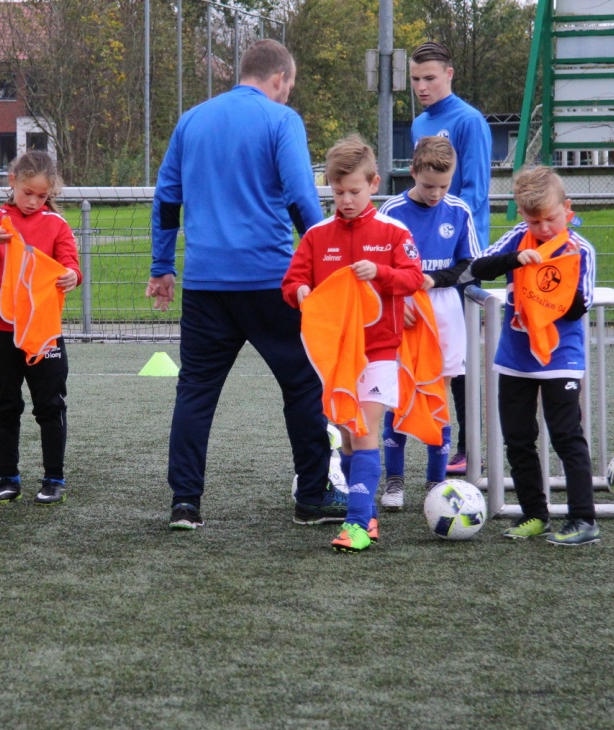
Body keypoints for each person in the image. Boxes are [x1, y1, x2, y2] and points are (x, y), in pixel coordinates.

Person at [148, 38, 342, 531]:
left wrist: (162, 265)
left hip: (205, 284)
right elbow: (301, 198)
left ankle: (184, 504)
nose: (288, 94)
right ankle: (312, 497)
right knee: (303, 384)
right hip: (270, 281)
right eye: (289, 86)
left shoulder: (191, 120)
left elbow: (167, 198)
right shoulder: (282, 120)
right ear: (279, 78)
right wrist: (321, 263)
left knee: (195, 391)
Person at [282, 135, 424, 553]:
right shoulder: (316, 235)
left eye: (354, 191)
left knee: (364, 432)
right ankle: (366, 510)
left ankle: (359, 523)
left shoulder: (393, 232)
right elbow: (292, 281)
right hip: (335, 357)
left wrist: (380, 273)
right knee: (346, 439)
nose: (345, 200)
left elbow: (413, 278)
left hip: (379, 350)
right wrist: (300, 293)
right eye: (338, 191)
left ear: (374, 184)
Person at [464, 166, 600, 546]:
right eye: (534, 221)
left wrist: (557, 272)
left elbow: (580, 308)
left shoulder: (580, 250)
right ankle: (535, 515)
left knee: (566, 437)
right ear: (522, 215)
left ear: (567, 208)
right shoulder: (517, 239)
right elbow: (478, 267)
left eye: (551, 219)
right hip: (515, 358)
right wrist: (516, 259)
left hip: (560, 359)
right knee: (518, 439)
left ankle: (583, 519)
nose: (543, 229)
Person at [0, 150, 81, 506]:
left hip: (43, 331)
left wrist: (72, 275)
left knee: (50, 404)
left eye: (42, 195)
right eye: (28, 193)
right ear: (12, 182)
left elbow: (69, 262)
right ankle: (8, 478)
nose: (34, 201)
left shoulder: (57, 225)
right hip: (0, 329)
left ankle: (54, 479)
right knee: (5, 405)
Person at [376, 136, 479, 508]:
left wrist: (435, 279)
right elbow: (377, 267)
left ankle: (437, 483)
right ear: (413, 172)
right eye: (428, 185)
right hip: (401, 311)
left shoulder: (459, 211)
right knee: (398, 396)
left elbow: (471, 265)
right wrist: (394, 299)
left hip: (444, 312)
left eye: (444, 186)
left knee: (438, 395)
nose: (436, 194)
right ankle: (394, 482)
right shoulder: (392, 210)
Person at [410, 41, 493, 476]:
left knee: (459, 360)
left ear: (449, 74)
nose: (422, 87)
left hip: (459, 260)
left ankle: (468, 444)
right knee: (425, 354)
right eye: (415, 79)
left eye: (429, 78)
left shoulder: (468, 120)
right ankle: (431, 439)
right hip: (426, 266)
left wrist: (459, 252)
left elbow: (475, 191)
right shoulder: (420, 122)